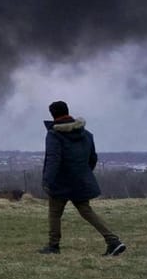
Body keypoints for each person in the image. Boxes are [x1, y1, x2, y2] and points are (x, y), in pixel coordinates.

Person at [39, 100, 125, 256]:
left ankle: (53, 246)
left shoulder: (54, 135)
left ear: (52, 115)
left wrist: (47, 181)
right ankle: (113, 241)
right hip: (80, 181)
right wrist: (83, 173)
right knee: (87, 211)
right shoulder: (86, 134)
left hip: (61, 182)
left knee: (55, 213)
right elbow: (92, 158)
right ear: (67, 110)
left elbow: (53, 159)